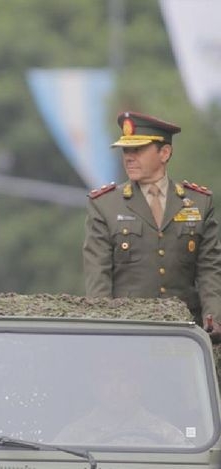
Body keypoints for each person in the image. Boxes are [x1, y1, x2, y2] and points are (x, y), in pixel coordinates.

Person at [83, 111, 221, 341]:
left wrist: (213, 317)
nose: (129, 157)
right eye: (126, 150)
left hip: (185, 335)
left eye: (138, 149)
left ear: (164, 153)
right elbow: (98, 276)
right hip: (129, 334)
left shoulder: (199, 202)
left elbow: (210, 268)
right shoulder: (105, 205)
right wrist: (103, 329)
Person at [54, 359, 189, 446]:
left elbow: (192, 462)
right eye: (106, 380)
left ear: (138, 386)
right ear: (95, 388)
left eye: (124, 380)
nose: (115, 389)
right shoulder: (74, 434)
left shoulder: (163, 432)